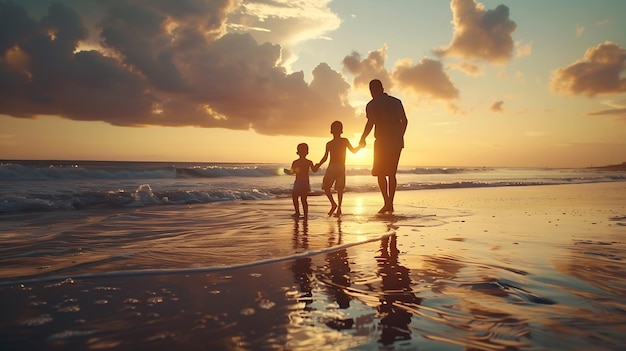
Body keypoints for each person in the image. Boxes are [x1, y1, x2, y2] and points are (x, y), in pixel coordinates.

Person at [359, 79, 408, 214]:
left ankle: (387, 202)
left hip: (381, 142)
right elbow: (405, 120)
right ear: (382, 88)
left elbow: (371, 123)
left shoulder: (372, 104)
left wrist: (363, 138)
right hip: (397, 142)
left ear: (372, 90)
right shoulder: (396, 102)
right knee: (392, 174)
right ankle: (389, 203)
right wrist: (400, 135)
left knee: (380, 173)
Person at [316, 121, 360, 216]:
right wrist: (360, 146)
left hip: (333, 167)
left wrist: (318, 165)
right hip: (339, 167)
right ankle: (337, 207)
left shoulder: (331, 143)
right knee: (338, 189)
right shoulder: (342, 141)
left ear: (331, 131)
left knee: (328, 187)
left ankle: (335, 205)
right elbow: (353, 151)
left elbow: (325, 158)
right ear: (341, 131)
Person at [284, 143, 319, 218]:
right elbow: (314, 170)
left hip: (299, 181)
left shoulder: (296, 162)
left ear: (297, 152)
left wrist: (286, 171)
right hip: (305, 182)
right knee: (303, 199)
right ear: (307, 152)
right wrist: (317, 166)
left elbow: (292, 172)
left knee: (295, 196)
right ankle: (305, 214)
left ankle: (297, 212)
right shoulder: (309, 162)